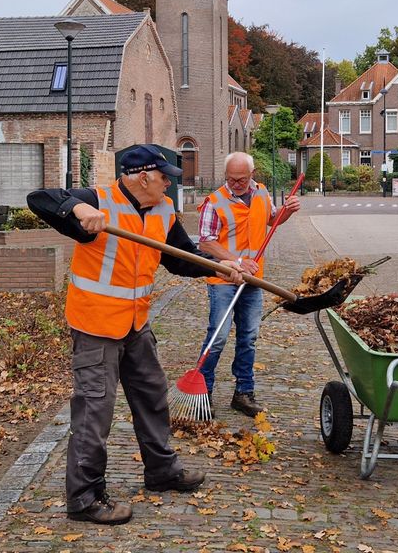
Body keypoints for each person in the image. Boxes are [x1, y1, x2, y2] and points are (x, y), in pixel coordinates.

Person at [27, 145, 246, 526]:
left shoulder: (162, 211)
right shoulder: (98, 202)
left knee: (152, 396)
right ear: (143, 177)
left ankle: (161, 470)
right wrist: (78, 210)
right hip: (96, 326)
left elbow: (180, 258)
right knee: (95, 412)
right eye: (165, 178)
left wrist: (220, 266)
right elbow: (40, 198)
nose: (169, 185)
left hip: (136, 325)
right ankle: (84, 498)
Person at [196, 152, 301, 416]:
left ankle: (243, 393)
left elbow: (271, 219)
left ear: (252, 175)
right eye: (231, 179)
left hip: (254, 279)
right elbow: (206, 242)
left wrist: (286, 211)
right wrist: (237, 261)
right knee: (218, 336)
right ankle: (203, 392)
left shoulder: (262, 193)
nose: (236, 184)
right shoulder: (215, 201)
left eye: (241, 179)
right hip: (223, 278)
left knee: (248, 337)